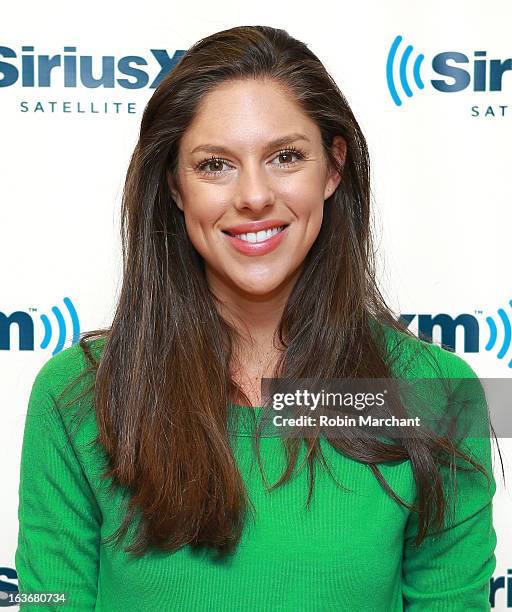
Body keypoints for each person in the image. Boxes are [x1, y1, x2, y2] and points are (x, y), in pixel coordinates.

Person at [15, 25, 500, 611]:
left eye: (286, 157)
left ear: (333, 168)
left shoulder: (435, 396)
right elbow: (48, 600)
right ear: (175, 185)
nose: (253, 195)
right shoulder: (73, 397)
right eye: (215, 165)